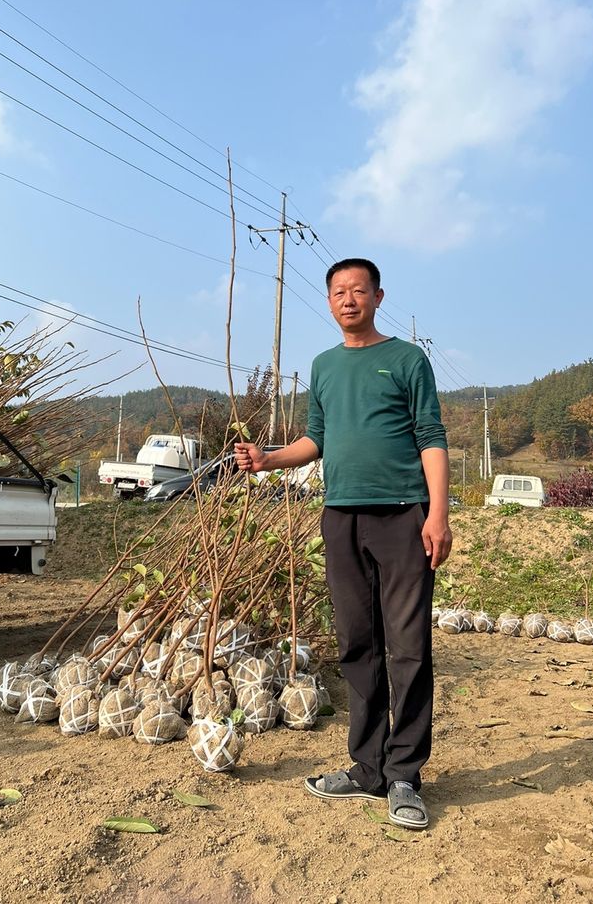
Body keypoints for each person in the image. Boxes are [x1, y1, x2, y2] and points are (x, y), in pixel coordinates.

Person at [235, 257, 452, 830]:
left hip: (404, 517)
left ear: (378, 296)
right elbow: (316, 440)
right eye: (338, 292)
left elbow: (431, 436)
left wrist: (438, 514)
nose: (348, 299)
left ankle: (404, 774)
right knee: (357, 642)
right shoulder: (324, 366)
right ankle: (366, 768)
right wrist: (267, 459)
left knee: (407, 647)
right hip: (341, 519)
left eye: (359, 290)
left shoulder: (407, 359)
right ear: (329, 302)